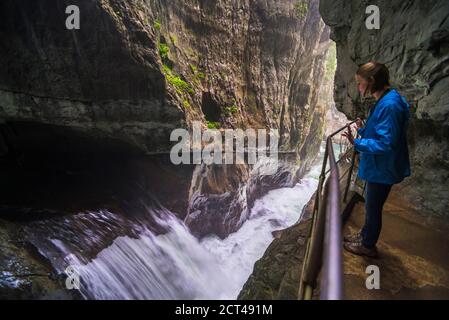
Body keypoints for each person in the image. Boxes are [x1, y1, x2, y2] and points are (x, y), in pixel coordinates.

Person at [342, 61, 411, 258]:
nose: (359, 87)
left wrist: (357, 143)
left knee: (373, 208)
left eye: (360, 82)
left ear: (371, 81)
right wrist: (363, 128)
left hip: (382, 169)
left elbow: (385, 143)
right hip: (380, 166)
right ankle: (364, 236)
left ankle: (368, 246)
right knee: (371, 206)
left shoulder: (389, 105)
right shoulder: (388, 99)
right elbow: (381, 130)